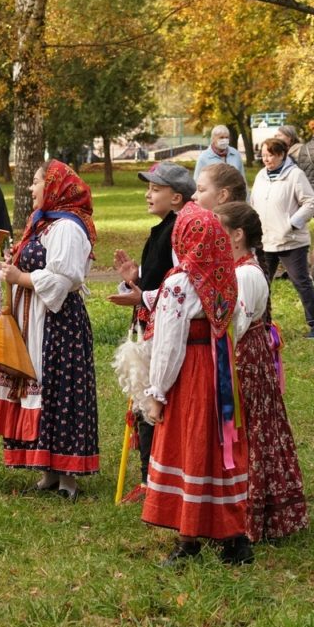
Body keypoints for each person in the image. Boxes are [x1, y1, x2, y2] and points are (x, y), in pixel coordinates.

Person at [141, 203, 251, 566]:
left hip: (189, 371)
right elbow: (236, 319)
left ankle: (188, 541)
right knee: (217, 447)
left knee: (189, 445)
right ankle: (234, 539)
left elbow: (169, 344)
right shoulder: (226, 275)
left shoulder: (178, 282)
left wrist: (157, 391)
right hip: (219, 367)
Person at [0, 160, 98, 500]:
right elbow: (30, 263)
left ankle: (68, 477)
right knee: (39, 389)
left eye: (36, 183)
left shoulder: (68, 227)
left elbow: (64, 278)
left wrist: (21, 278)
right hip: (34, 316)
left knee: (59, 391)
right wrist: (5, 267)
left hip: (57, 322)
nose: (31, 189)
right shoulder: (41, 223)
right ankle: (47, 469)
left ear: (54, 188)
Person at [214, 201, 308, 542]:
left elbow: (234, 323)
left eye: (219, 232)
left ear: (237, 235)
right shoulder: (238, 269)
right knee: (247, 426)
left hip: (246, 358)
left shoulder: (246, 273)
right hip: (245, 355)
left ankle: (256, 514)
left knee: (250, 426)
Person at [106, 162, 192, 503]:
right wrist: (136, 277)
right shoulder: (161, 229)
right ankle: (149, 480)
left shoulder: (179, 231)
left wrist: (141, 292)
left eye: (155, 189)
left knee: (155, 400)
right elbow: (157, 278)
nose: (147, 193)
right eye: (149, 187)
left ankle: (156, 481)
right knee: (145, 400)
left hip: (165, 328)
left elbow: (178, 283)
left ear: (176, 197)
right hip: (149, 323)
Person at [250, 137, 314, 339]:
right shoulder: (260, 176)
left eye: (271, 155)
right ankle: (260, 324)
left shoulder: (295, 175)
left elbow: (310, 202)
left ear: (282, 154)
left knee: (301, 282)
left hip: (291, 241)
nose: (266, 159)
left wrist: (292, 223)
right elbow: (254, 202)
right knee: (261, 284)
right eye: (264, 155)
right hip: (265, 240)